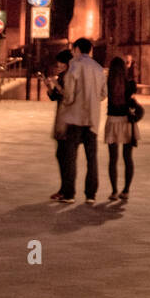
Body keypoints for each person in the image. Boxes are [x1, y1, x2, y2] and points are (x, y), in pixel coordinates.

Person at [59, 37, 107, 204]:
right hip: (92, 118)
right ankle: (90, 194)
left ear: (77, 49)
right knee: (91, 158)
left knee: (70, 156)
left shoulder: (75, 65)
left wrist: (67, 101)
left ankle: (70, 194)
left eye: (74, 49)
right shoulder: (99, 68)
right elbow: (103, 94)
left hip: (75, 117)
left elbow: (69, 93)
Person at [104, 56, 138, 203]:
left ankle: (113, 191)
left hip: (112, 121)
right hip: (127, 122)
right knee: (127, 158)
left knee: (113, 159)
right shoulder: (130, 84)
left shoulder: (108, 83)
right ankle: (126, 191)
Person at [43, 49, 73, 200]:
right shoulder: (62, 77)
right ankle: (64, 188)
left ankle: (67, 190)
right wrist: (48, 86)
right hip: (61, 118)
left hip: (67, 120)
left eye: (61, 63)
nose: (59, 65)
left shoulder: (71, 78)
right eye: (58, 63)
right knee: (61, 155)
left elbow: (68, 97)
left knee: (65, 156)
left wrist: (57, 84)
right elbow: (55, 97)